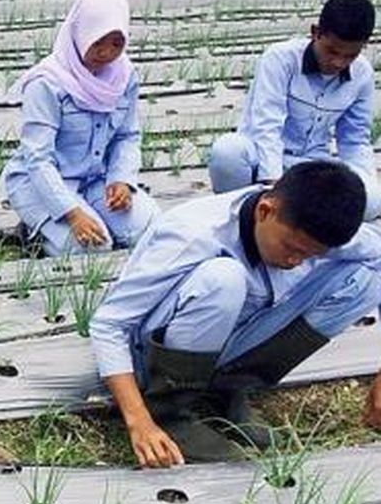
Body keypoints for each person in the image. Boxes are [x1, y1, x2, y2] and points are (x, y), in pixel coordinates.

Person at [90, 161, 381, 468]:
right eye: (292, 248)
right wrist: (139, 421)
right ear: (265, 210)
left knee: (366, 279)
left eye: (311, 255)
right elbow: (109, 324)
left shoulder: (307, 232)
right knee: (224, 278)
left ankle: (225, 392)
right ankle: (169, 410)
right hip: (154, 353)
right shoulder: (193, 233)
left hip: (232, 336)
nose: (297, 261)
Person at [1, 0, 159, 258]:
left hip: (95, 179)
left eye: (116, 43)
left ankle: (91, 210)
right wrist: (71, 213)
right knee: (92, 248)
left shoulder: (124, 76)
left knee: (150, 230)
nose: (106, 53)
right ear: (81, 33)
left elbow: (127, 136)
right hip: (42, 185)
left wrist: (121, 180)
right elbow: (38, 159)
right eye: (97, 41)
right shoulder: (47, 84)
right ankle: (34, 229)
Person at [208, 0, 380, 220]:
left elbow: (354, 140)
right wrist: (272, 185)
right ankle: (234, 216)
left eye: (350, 56)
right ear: (315, 32)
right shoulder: (280, 59)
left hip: (311, 165)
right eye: (332, 51)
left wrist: (360, 184)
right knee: (227, 151)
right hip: (259, 157)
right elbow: (267, 124)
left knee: (372, 198)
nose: (338, 62)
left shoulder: (363, 74)